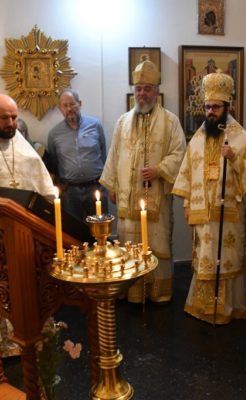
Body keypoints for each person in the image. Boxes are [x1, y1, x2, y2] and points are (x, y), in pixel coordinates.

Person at [172, 70, 246, 324]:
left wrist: (234, 158)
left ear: (227, 106)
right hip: (203, 214)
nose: (211, 111)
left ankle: (230, 307)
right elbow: (188, 173)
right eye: (208, 106)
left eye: (216, 107)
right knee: (206, 258)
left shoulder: (241, 137)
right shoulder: (197, 139)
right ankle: (203, 305)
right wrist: (188, 203)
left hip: (230, 212)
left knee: (229, 259)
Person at [100, 60, 186, 304]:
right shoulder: (122, 121)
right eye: (138, 88)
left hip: (156, 198)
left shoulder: (170, 121)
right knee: (129, 246)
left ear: (156, 91)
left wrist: (159, 170)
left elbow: (180, 153)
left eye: (147, 88)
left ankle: (158, 293)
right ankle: (133, 292)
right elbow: (114, 155)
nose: (142, 93)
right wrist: (112, 187)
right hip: (128, 200)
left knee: (156, 245)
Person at [48, 90, 107, 220]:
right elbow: (54, 163)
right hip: (70, 192)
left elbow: (104, 155)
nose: (69, 108)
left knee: (101, 230)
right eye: (65, 105)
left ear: (79, 104)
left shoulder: (95, 125)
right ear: (60, 108)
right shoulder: (54, 134)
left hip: (96, 188)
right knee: (74, 233)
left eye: (72, 104)